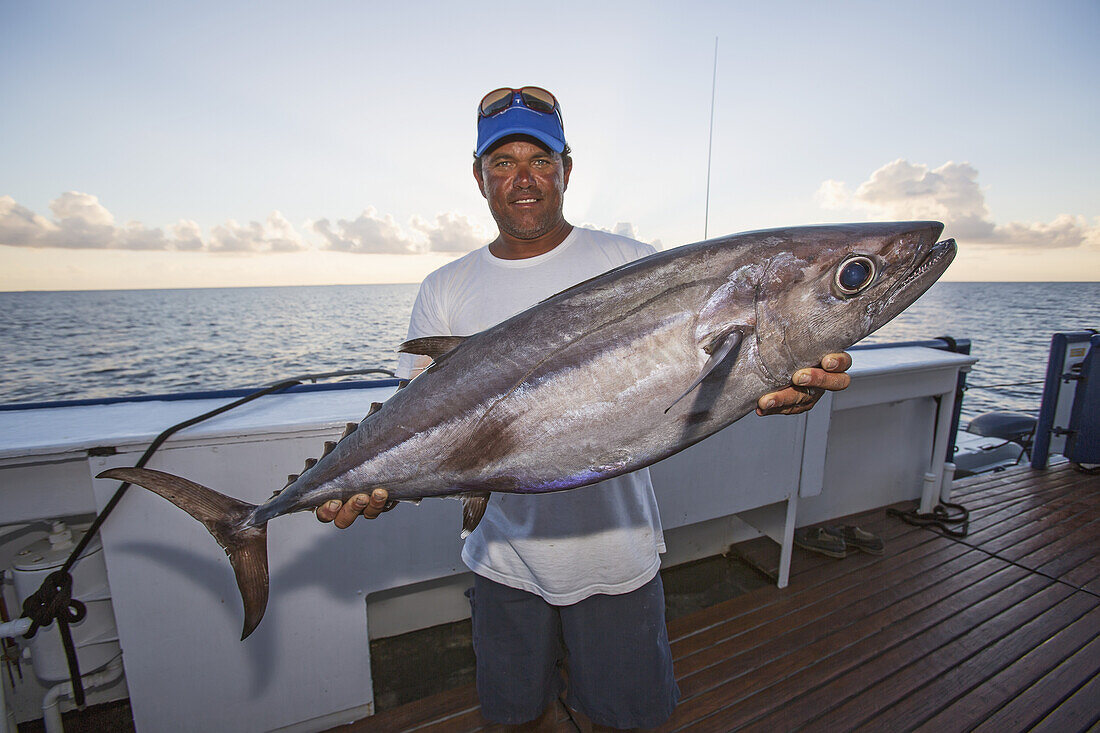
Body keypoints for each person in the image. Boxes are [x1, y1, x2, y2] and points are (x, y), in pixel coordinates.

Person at [317, 86, 852, 731]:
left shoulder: (629, 265)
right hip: (501, 559)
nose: (523, 179)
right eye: (503, 161)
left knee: (628, 720)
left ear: (567, 169)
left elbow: (707, 377)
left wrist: (781, 395)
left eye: (540, 161)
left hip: (617, 558)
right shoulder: (446, 289)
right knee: (516, 719)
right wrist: (375, 485)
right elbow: (424, 427)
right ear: (480, 178)